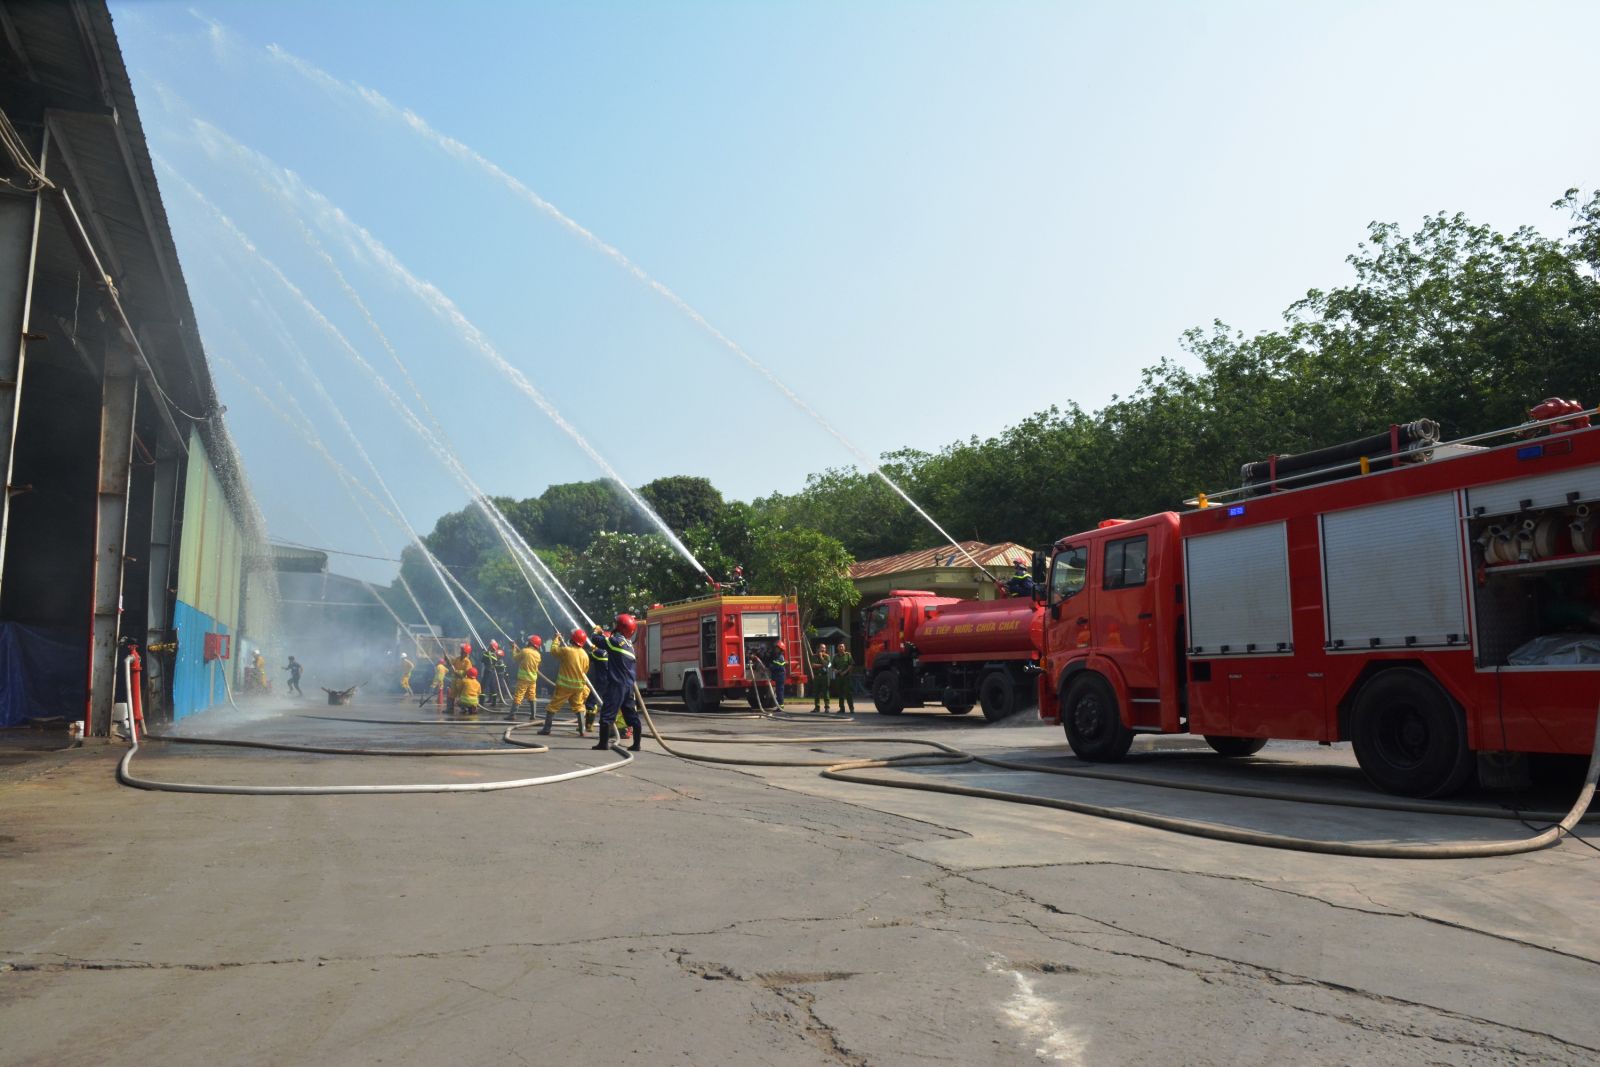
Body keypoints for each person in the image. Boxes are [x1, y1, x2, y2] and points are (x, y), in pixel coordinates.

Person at [597, 613, 643, 752]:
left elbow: (597, 641)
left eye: (616, 624)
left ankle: (603, 744)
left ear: (621, 627)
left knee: (607, 715)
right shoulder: (629, 645)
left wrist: (596, 632)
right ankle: (637, 744)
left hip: (616, 685)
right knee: (632, 716)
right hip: (628, 686)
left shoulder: (616, 641)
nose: (614, 626)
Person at [542, 630, 591, 736]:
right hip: (578, 687)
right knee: (579, 707)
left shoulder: (567, 650)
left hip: (564, 686)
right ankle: (582, 730)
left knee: (552, 706)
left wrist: (556, 639)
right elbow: (585, 670)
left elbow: (553, 651)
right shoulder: (585, 655)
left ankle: (546, 729)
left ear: (572, 639)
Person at [584, 627, 611, 736]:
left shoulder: (599, 653)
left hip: (601, 683)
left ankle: (589, 726)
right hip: (611, 683)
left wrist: (595, 632)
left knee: (591, 702)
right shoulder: (613, 652)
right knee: (609, 705)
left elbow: (588, 657)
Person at [511, 635, 543, 722]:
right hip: (533, 679)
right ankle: (533, 715)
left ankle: (512, 715)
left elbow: (515, 658)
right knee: (532, 696)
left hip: (523, 679)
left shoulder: (525, 651)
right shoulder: (538, 655)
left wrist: (513, 649)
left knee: (518, 696)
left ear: (531, 643)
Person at [448, 642, 473, 715]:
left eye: (463, 651)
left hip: (462, 680)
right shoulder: (457, 659)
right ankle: (450, 708)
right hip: (455, 679)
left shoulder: (467, 661)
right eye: (461, 650)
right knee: (452, 694)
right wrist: (448, 661)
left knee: (462, 695)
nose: (461, 652)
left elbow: (467, 672)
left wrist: (457, 672)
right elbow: (452, 665)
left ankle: (463, 708)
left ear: (466, 653)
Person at [831, 642, 855, 713]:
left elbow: (851, 665)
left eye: (842, 646)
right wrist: (836, 670)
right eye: (839, 647)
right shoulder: (835, 656)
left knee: (848, 693)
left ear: (844, 648)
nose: (841, 648)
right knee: (840, 693)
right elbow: (832, 666)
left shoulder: (848, 655)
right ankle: (842, 708)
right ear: (837, 648)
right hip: (839, 677)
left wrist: (845, 672)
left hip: (846, 677)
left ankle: (851, 708)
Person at [811, 642, 832, 713]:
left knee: (826, 692)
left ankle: (827, 707)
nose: (823, 649)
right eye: (822, 648)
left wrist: (821, 657)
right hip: (817, 676)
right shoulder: (814, 656)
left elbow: (827, 665)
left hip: (824, 676)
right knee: (816, 692)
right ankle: (817, 707)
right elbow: (813, 665)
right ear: (818, 649)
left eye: (824, 648)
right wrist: (822, 665)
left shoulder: (827, 656)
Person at [768, 641, 789, 709]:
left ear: (780, 650)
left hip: (780, 676)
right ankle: (779, 706)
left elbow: (778, 666)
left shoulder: (780, 657)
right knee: (778, 691)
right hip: (778, 676)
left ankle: (781, 706)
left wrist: (770, 667)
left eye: (777, 648)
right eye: (776, 648)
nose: (775, 649)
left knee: (780, 692)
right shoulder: (777, 657)